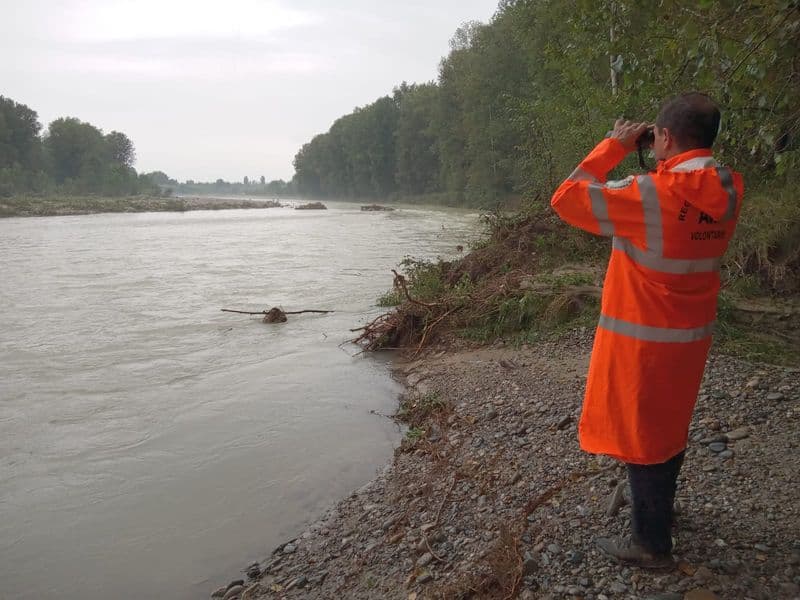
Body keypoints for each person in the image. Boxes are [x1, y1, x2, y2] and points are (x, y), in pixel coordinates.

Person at [550, 93, 744, 568]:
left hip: (643, 338)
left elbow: (566, 199)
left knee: (642, 434)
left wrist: (614, 147)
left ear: (666, 137)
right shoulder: (728, 187)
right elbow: (683, 193)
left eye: (656, 136)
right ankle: (657, 509)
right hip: (690, 336)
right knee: (668, 426)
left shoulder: (648, 194)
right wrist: (655, 156)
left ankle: (651, 545)